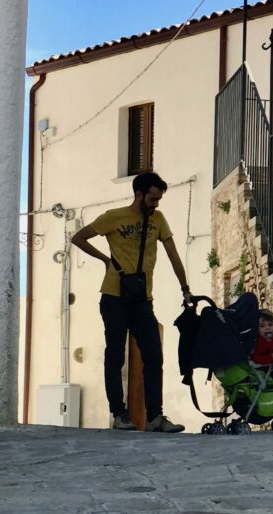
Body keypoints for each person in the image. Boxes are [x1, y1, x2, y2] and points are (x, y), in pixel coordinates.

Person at [71, 172, 192, 432]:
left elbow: (173, 255)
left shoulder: (158, 220)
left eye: (158, 199)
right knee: (115, 356)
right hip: (114, 297)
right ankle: (119, 414)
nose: (156, 203)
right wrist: (105, 260)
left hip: (142, 300)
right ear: (138, 194)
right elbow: (78, 238)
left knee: (153, 355)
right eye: (152, 198)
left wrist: (185, 289)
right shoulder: (113, 217)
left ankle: (155, 417)